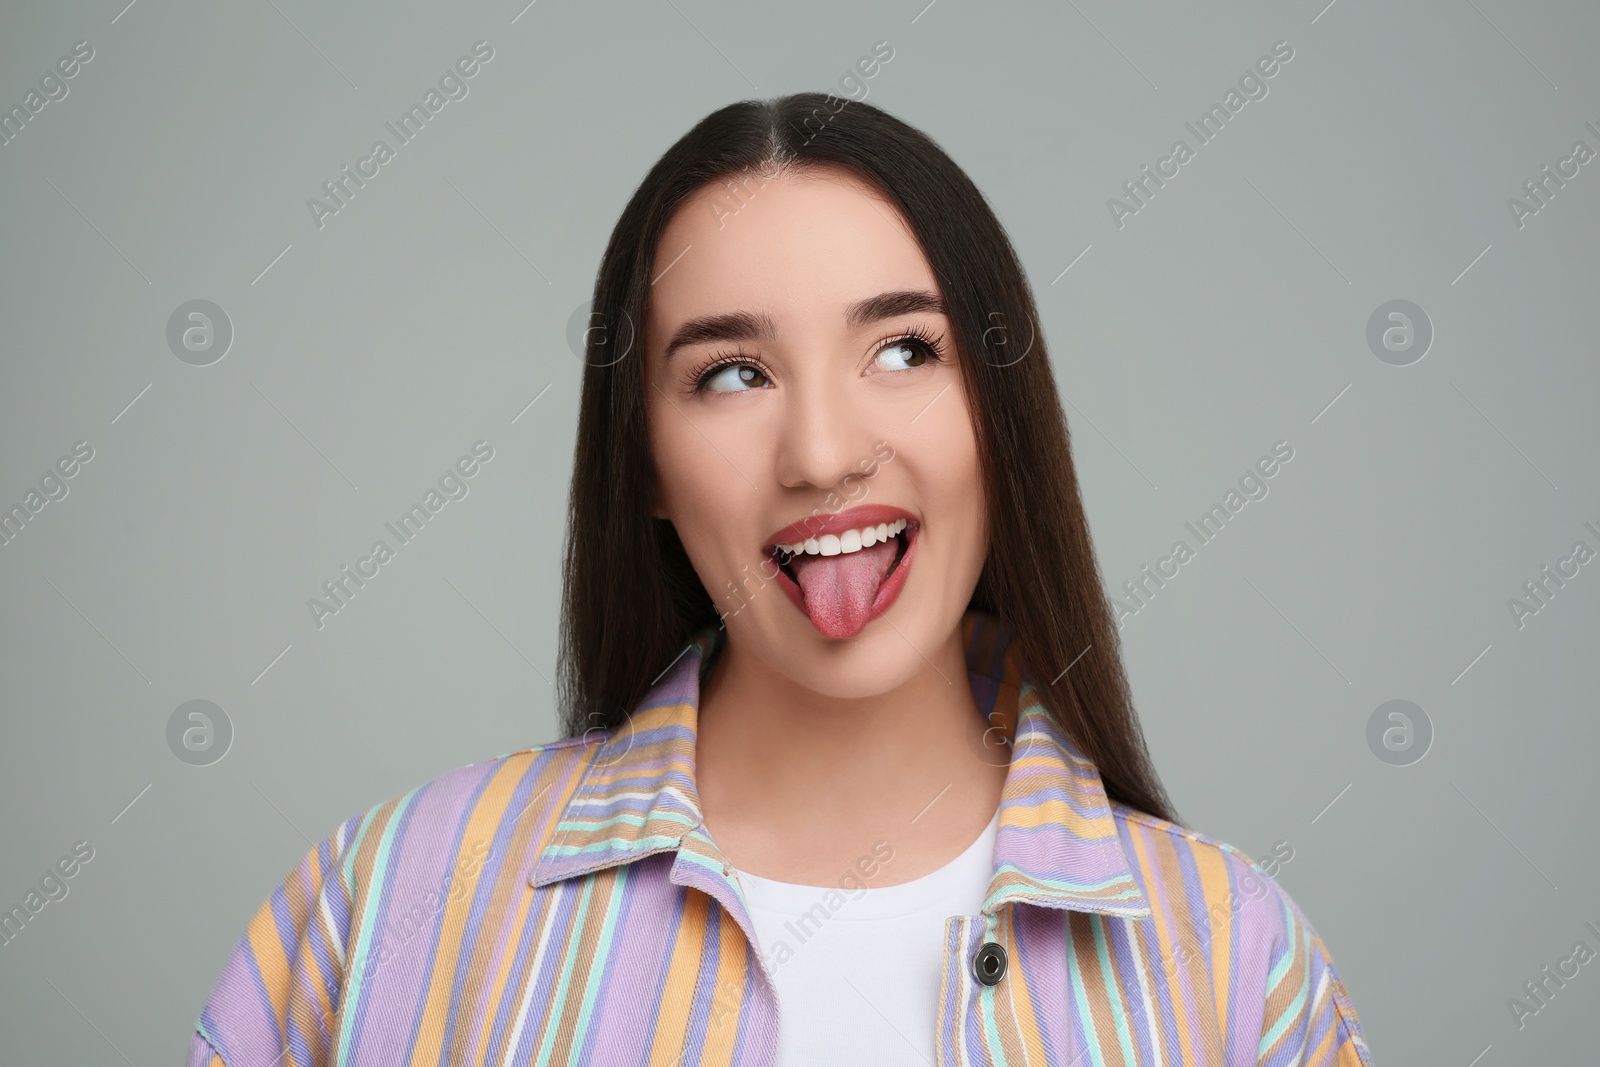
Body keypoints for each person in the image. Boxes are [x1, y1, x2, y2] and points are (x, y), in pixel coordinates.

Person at [187, 92, 1375, 1066]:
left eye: (905, 349)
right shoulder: (389, 899)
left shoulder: (1233, 960)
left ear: (1003, 414)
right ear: (643, 460)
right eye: (730, 374)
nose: (821, 453)